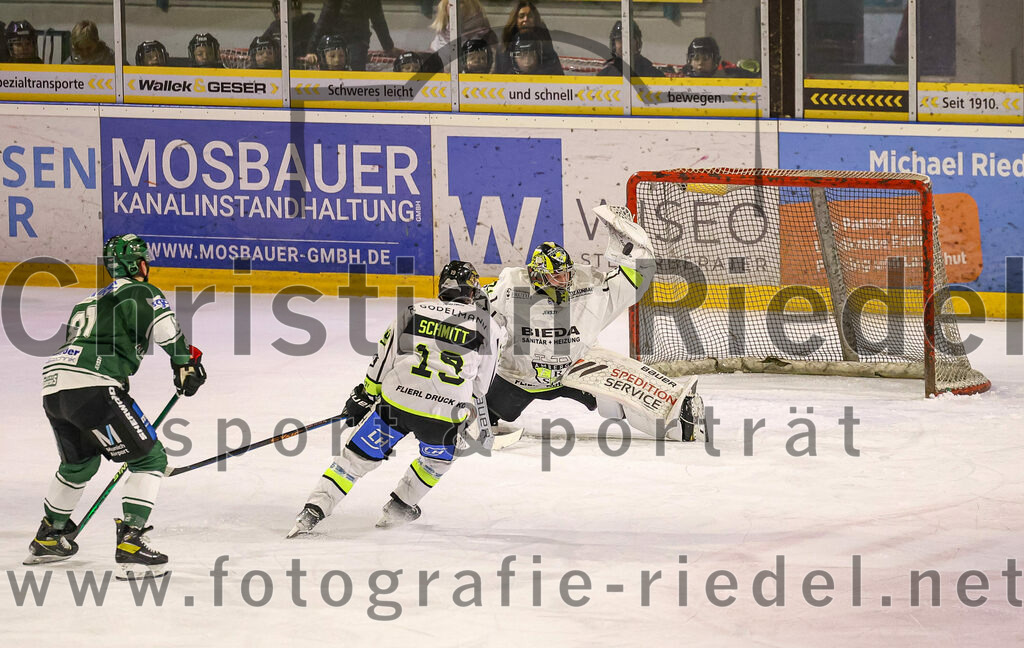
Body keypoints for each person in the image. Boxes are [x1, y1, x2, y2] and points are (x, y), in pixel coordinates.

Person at [24, 234, 207, 580]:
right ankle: (132, 543)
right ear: (137, 264)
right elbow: (166, 330)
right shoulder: (142, 291)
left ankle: (50, 534)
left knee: (79, 464)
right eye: (144, 260)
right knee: (150, 458)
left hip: (54, 388)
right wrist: (184, 364)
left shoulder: (87, 301)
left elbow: (90, 347)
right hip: (94, 387)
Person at [287, 260, 500, 535]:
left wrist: (364, 396)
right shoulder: (488, 326)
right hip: (444, 415)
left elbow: (383, 360)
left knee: (353, 460)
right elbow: (482, 386)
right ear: (473, 291)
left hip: (396, 404)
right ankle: (401, 506)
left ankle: (312, 511)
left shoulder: (412, 311)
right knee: (437, 461)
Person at [484, 207, 702, 442]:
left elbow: (636, 279)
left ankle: (678, 420)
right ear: (538, 275)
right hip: (520, 377)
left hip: (577, 371)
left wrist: (634, 248)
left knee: (620, 401)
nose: (564, 282)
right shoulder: (510, 289)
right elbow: (475, 316)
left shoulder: (588, 289)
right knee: (484, 412)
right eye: (556, 277)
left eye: (566, 275)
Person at [305, 0, 403, 72]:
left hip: (351, 40)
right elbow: (324, 18)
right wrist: (311, 49)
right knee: (349, 70)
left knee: (353, 72)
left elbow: (378, 19)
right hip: (346, 39)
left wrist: (388, 46)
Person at [496, 1, 559, 74]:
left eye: (530, 16)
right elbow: (499, 75)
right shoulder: (505, 46)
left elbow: (555, 72)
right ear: (515, 20)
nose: (525, 19)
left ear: (535, 20)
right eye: (521, 16)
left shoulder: (544, 42)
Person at [428, 0, 496, 59]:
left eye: (460, 2)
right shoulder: (442, 33)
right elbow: (433, 61)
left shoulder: (484, 34)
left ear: (471, 6)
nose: (452, 6)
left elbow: (493, 62)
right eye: (449, 3)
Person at [597, 20, 663, 78]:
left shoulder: (654, 74)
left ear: (638, 43)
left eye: (629, 40)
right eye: (620, 40)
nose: (625, 44)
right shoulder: (604, 76)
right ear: (614, 45)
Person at [680, 36, 758, 78]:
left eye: (705, 58)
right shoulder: (680, 78)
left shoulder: (730, 76)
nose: (700, 63)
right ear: (689, 60)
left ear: (715, 60)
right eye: (696, 58)